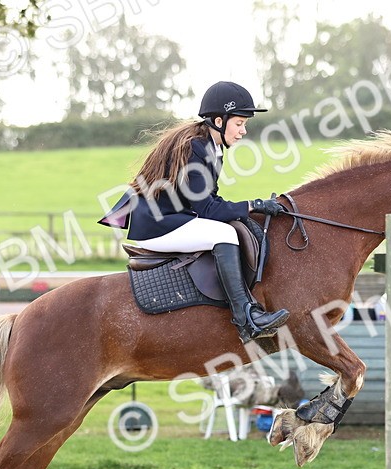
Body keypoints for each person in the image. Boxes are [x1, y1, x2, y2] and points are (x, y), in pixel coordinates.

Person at [103, 81, 289, 344]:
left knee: (229, 226)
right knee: (224, 233)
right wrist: (253, 205)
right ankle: (245, 318)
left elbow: (209, 199)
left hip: (171, 219)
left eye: (244, 125)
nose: (243, 131)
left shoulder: (211, 148)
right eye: (239, 124)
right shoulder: (194, 149)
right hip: (158, 226)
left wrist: (248, 207)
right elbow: (207, 209)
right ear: (218, 120)